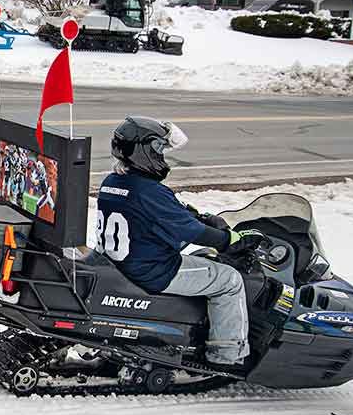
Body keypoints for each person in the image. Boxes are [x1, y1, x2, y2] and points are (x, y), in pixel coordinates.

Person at [93, 116, 265, 367]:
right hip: (152, 270)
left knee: (205, 259)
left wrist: (196, 216)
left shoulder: (113, 182)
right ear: (143, 151)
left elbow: (164, 216)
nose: (162, 156)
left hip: (121, 263)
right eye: (159, 149)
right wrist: (231, 240)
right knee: (229, 280)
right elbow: (193, 233)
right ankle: (227, 356)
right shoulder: (150, 191)